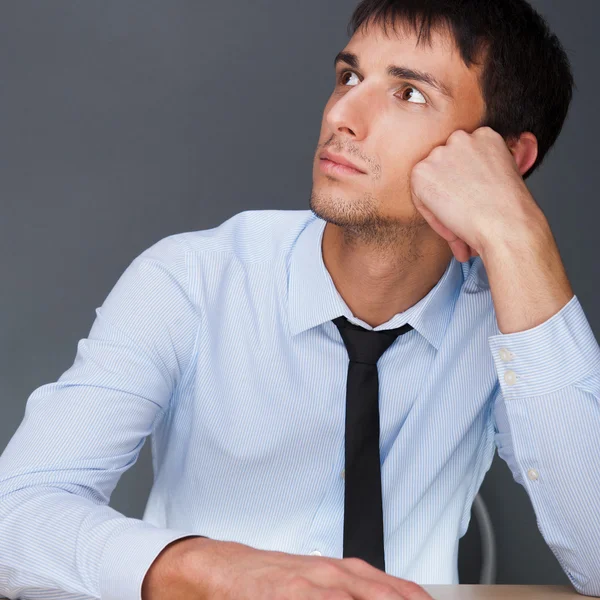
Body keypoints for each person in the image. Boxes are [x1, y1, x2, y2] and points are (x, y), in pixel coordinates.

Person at [1, 0, 599, 599]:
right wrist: (221, 572)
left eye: (409, 94)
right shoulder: (192, 281)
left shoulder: (506, 324)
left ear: (504, 159)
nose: (343, 114)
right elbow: (15, 517)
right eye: (349, 77)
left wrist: (519, 237)